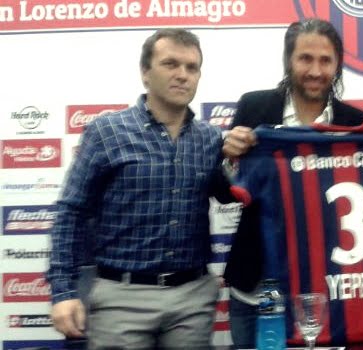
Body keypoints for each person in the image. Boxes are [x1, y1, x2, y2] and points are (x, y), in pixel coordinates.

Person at [46, 28, 233, 349]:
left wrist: (241, 158)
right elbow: (71, 212)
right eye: (170, 64)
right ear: (145, 73)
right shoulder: (107, 131)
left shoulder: (211, 138)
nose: (182, 75)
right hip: (121, 296)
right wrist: (63, 292)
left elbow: (230, 194)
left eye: (192, 67)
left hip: (192, 298)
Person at [221, 18, 363, 348]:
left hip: (331, 287)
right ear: (289, 60)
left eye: (325, 60)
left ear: (338, 65)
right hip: (257, 286)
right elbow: (222, 192)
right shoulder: (255, 107)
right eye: (305, 58)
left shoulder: (358, 123)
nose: (315, 71)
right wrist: (231, 159)